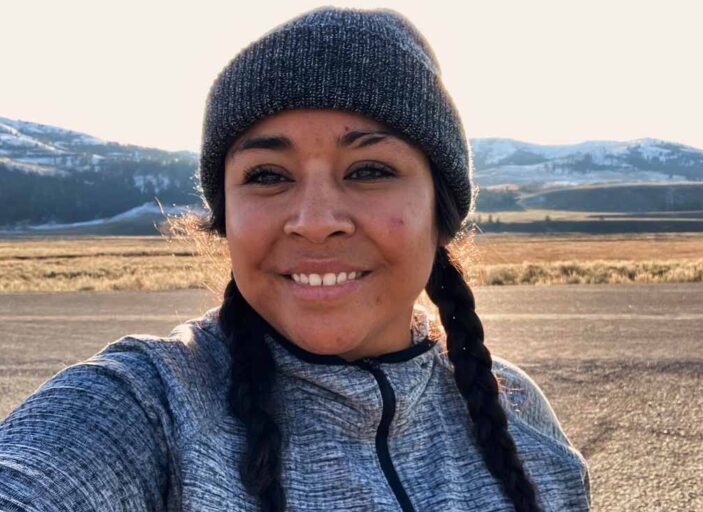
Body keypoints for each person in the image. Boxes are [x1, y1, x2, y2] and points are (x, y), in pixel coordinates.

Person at [0, 6, 590, 511]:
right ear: (226, 218)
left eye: (370, 170)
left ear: (442, 209)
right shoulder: (148, 407)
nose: (313, 221)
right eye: (267, 175)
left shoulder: (517, 414)